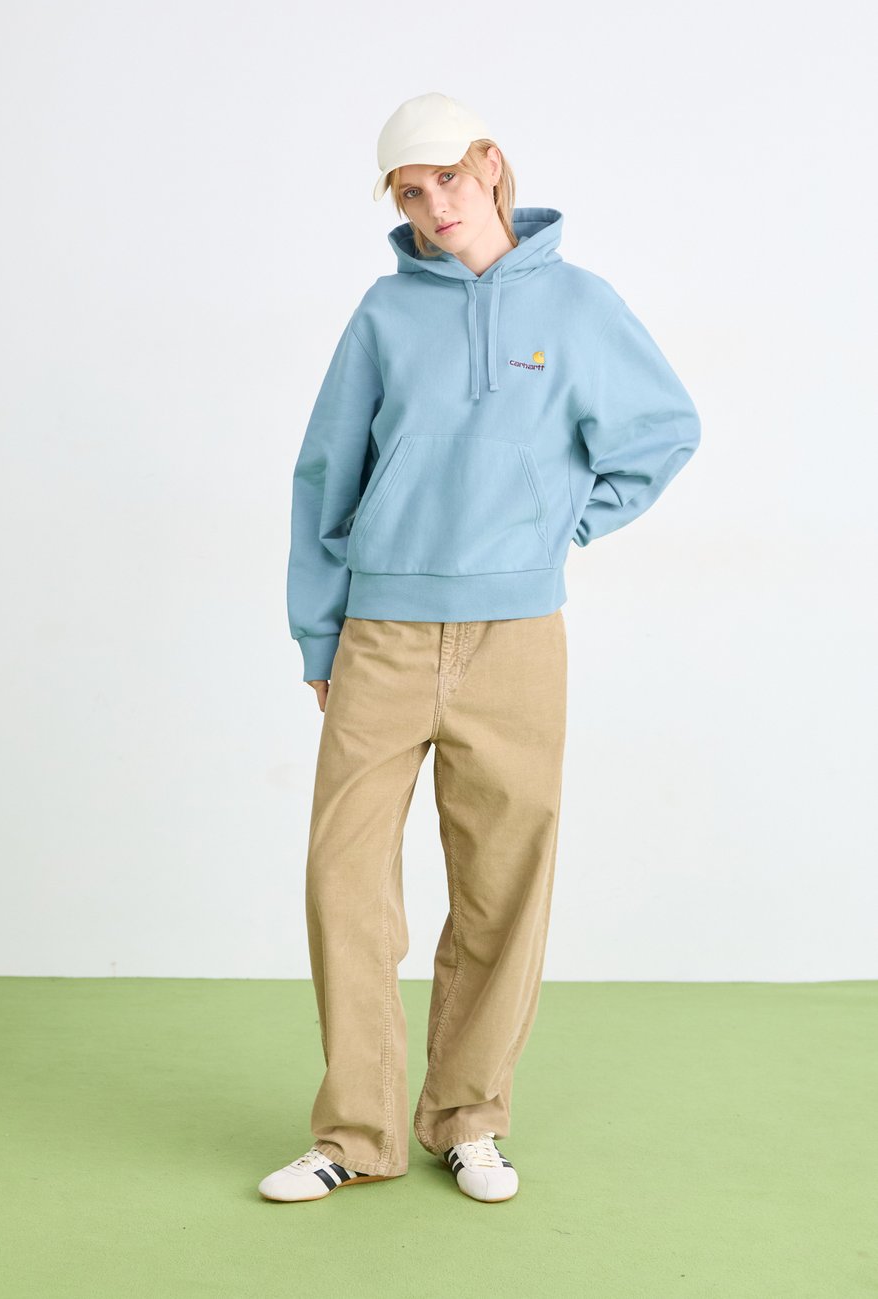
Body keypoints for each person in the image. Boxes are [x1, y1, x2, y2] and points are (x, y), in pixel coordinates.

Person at [259, 92, 702, 1205]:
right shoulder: (383, 313)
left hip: (517, 637)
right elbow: (326, 473)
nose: (432, 206)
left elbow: (663, 432)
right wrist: (320, 630)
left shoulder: (580, 305)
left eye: (446, 179)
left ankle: (468, 1119)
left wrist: (564, 527)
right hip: (382, 633)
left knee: (503, 884)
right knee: (344, 881)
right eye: (410, 192)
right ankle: (356, 1133)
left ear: (491, 165)